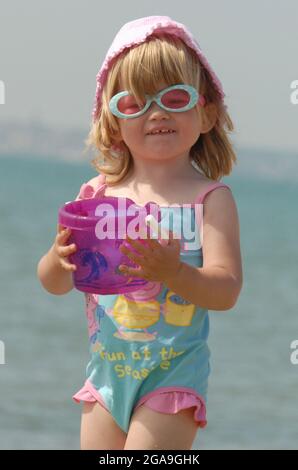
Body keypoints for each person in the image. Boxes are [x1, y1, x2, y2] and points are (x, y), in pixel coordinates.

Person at [37, 15, 243, 450]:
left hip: (173, 380)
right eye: (134, 103)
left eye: (174, 97)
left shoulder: (210, 199)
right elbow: (55, 283)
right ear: (113, 122)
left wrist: (174, 272)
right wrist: (58, 261)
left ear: (206, 113)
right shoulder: (95, 194)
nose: (157, 113)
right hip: (105, 376)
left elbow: (225, 291)